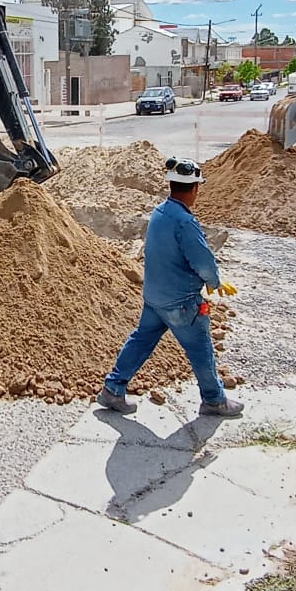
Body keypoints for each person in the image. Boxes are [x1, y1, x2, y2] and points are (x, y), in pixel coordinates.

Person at [98, 157, 244, 418]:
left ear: (172, 185)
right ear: (195, 189)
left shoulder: (160, 212)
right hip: (181, 302)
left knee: (141, 340)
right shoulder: (185, 222)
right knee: (201, 348)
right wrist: (214, 281)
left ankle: (113, 389)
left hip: (155, 296)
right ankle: (214, 400)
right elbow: (202, 260)